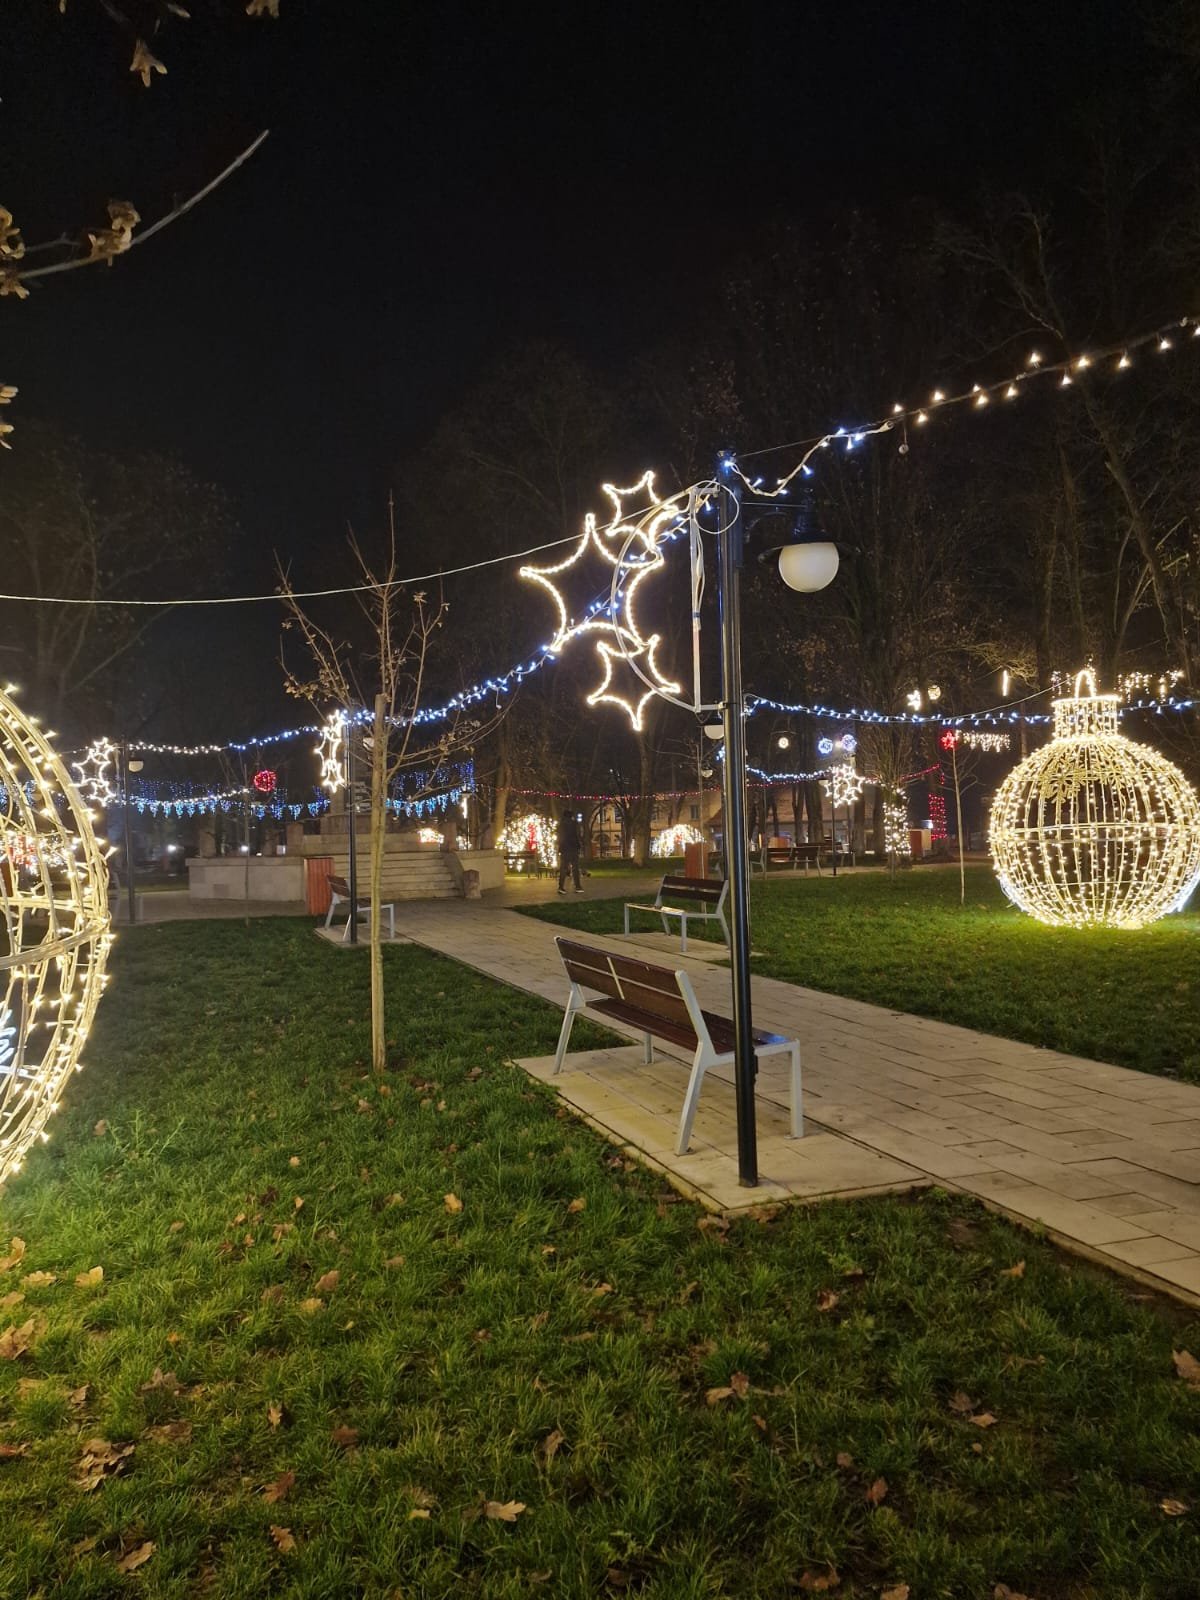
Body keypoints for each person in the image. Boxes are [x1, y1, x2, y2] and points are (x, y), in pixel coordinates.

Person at [556, 809, 584, 894]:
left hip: (564, 849)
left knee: (563, 868)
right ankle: (578, 887)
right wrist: (579, 845)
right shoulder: (574, 823)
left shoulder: (561, 825)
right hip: (573, 848)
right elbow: (578, 835)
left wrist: (560, 847)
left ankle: (561, 887)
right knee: (575, 868)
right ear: (571, 816)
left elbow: (560, 837)